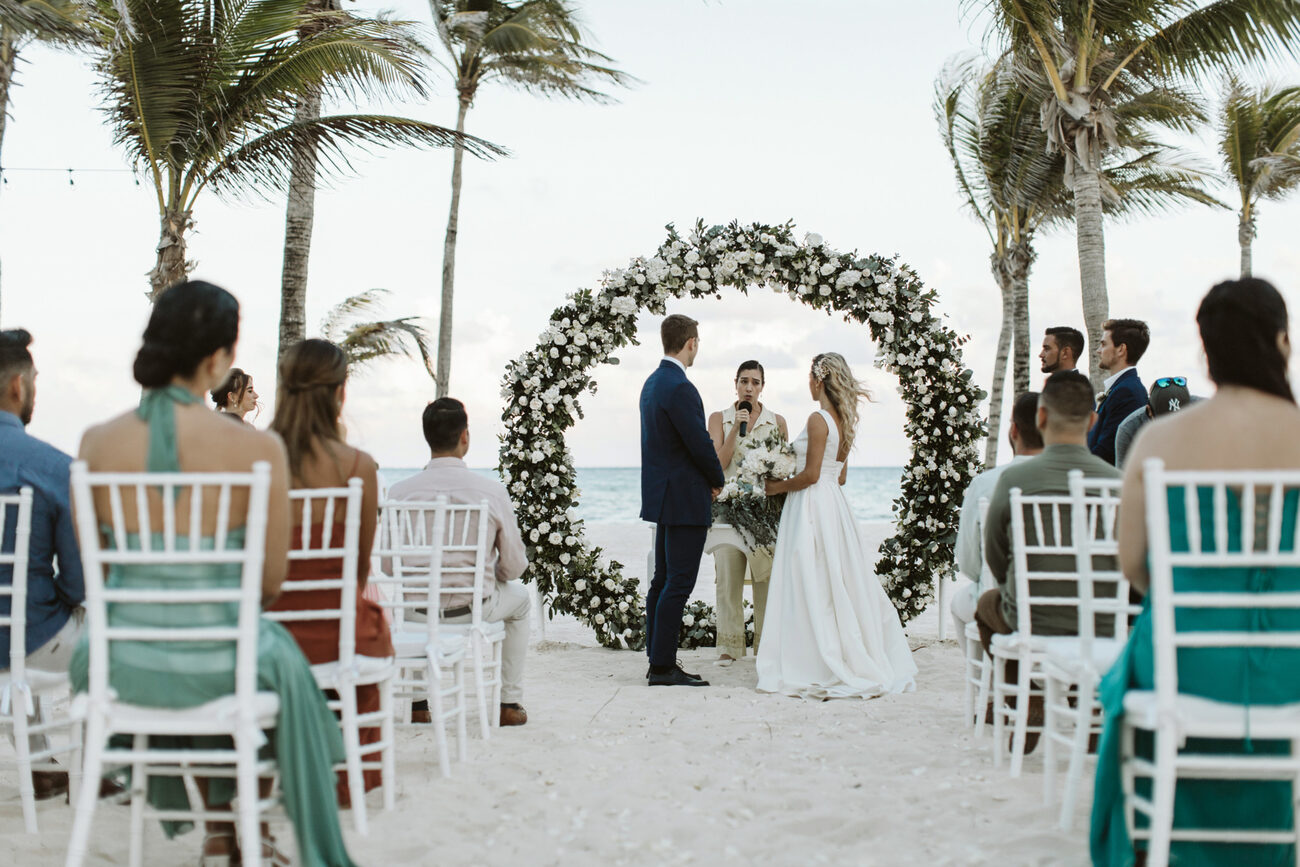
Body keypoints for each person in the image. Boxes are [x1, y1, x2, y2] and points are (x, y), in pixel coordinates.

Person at [71, 281, 356, 867]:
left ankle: (221, 831)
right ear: (217, 360)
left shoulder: (95, 444)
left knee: (191, 646)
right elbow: (270, 583)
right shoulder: (256, 451)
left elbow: (92, 574)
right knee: (244, 651)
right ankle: (242, 829)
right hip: (221, 656)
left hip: (117, 662)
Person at [1092, 278, 1300, 867]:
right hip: (1292, 671)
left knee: (1133, 663)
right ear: (1283, 344)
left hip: (1187, 671)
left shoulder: (1159, 442)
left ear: (1208, 353)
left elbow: (1133, 568)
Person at [266, 339, 393, 802]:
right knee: (367, 626)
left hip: (264, 636)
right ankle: (341, 776)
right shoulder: (357, 466)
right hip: (332, 635)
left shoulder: (254, 458)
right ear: (340, 394)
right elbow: (357, 574)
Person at [756, 353, 917, 699]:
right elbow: (838, 476)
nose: (808, 384)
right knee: (833, 578)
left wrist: (776, 486)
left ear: (819, 380)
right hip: (834, 506)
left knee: (809, 578)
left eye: (809, 377)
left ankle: (814, 657)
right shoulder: (843, 420)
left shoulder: (817, 419)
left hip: (811, 505)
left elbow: (812, 475)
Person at [386, 397, 531, 725]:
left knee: (410, 597)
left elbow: (388, 567)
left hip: (416, 611)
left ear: (427, 437)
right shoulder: (490, 492)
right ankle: (508, 701)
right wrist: (484, 572)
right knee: (520, 602)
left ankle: (418, 705)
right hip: (471, 609)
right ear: (464, 436)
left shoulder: (399, 493)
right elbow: (513, 566)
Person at [0, 328, 85, 801]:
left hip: (15, 635)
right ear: (19, 386)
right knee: (102, 641)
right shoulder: (52, 466)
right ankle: (97, 772)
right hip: (28, 640)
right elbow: (77, 582)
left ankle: (40, 764)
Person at [978, 371, 1120, 651]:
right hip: (1102, 620)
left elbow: (995, 556)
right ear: (1093, 421)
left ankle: (1027, 693)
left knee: (985, 604)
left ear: (1041, 417)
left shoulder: (1014, 480)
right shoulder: (1119, 484)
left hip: (1032, 619)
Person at [639, 314, 725, 687]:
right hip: (685, 498)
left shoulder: (651, 383)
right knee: (679, 582)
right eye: (697, 343)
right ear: (690, 342)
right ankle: (662, 666)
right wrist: (717, 478)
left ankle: (656, 656)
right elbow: (699, 443)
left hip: (662, 495)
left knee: (662, 579)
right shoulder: (681, 387)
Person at [706, 360, 788, 665]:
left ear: (762, 386)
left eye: (755, 382)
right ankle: (729, 647)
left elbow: (783, 466)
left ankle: (766, 645)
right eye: (744, 381)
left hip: (764, 511)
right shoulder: (720, 418)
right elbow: (717, 465)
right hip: (728, 509)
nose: (749, 387)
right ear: (736, 384)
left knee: (766, 578)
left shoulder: (776, 421)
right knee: (728, 578)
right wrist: (733, 433)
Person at [951, 391, 1043, 654]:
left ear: (1014, 431)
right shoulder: (1072, 481)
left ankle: (988, 687)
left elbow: (968, 563)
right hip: (1066, 606)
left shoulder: (985, 484)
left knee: (961, 602)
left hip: (1004, 604)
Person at [1088, 318, 1149, 465]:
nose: (1098, 350)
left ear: (1121, 349)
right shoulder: (1123, 388)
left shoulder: (1126, 392)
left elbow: (1107, 451)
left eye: (1103, 344)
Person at [1113, 376, 1194, 469]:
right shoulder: (1129, 429)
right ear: (1149, 411)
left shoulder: (1206, 413)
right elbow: (1123, 477)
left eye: (1180, 421)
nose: (1173, 430)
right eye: (1166, 423)